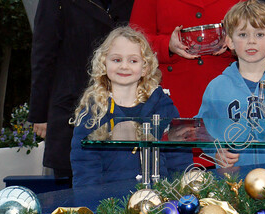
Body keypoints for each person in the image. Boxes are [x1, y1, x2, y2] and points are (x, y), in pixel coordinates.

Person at [29, 0, 145, 182]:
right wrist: (40, 113)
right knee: (71, 205)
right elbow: (43, 51)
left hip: (125, 109)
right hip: (71, 109)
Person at [70, 27, 189, 187]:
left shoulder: (162, 106)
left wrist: (181, 197)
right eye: (116, 60)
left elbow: (179, 159)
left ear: (145, 67)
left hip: (159, 202)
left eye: (133, 60)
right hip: (110, 205)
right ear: (104, 63)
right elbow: (85, 170)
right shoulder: (93, 112)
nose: (124, 66)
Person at [197, 0, 265, 167]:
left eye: (259, 34)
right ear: (230, 41)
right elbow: (201, 129)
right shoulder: (217, 87)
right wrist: (215, 151)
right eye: (243, 35)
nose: (251, 41)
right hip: (232, 181)